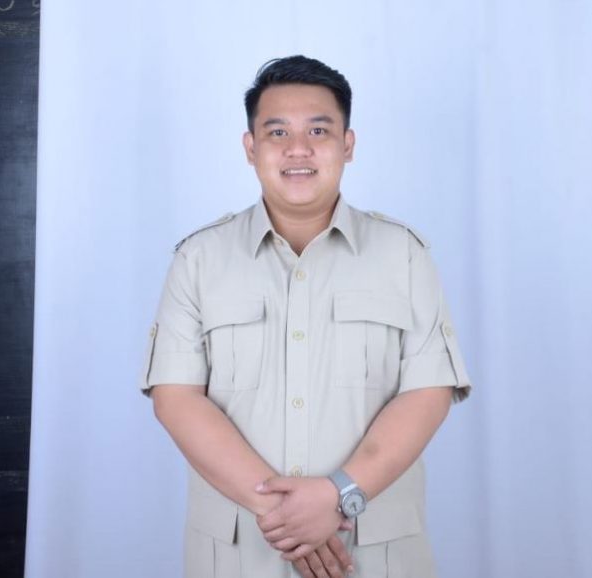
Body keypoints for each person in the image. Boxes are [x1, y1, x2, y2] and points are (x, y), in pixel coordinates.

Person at [141, 55, 471, 578]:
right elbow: (176, 398)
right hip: (240, 554)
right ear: (251, 148)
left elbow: (428, 393)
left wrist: (338, 495)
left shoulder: (403, 255)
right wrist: (288, 514)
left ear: (348, 144)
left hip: (374, 553)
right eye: (277, 132)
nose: (298, 148)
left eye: (319, 130)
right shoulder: (198, 259)